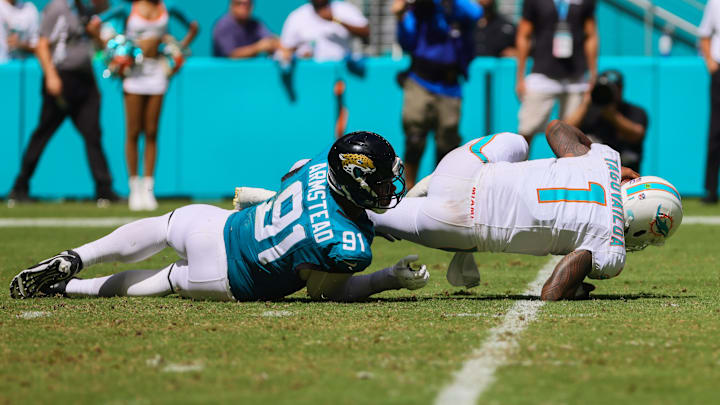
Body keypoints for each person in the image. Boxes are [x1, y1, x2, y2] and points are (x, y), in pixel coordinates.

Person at [10, 131, 430, 302]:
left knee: (165, 226)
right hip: (229, 278)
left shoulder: (321, 165)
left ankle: (77, 256)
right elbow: (325, 293)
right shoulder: (347, 244)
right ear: (353, 182)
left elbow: (289, 186)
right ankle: (73, 289)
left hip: (219, 225)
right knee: (171, 277)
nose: (385, 190)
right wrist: (387, 278)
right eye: (376, 183)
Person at [366, 121, 683, 301]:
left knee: (516, 142)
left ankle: (431, 183)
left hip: (462, 168)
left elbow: (556, 128)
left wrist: (600, 159)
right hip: (457, 224)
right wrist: (576, 287)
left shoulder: (603, 161)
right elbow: (551, 292)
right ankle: (400, 211)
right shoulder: (609, 249)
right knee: (369, 214)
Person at [87, 0, 199, 211]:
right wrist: (113, 51)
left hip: (157, 71)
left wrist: (177, 49)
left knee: (152, 131)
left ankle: (148, 188)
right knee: (133, 130)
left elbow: (194, 26)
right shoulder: (127, 8)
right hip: (134, 74)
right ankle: (134, 188)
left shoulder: (168, 7)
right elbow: (94, 25)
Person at [7, 0, 118, 205]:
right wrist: (51, 75)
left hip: (85, 81)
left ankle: (104, 190)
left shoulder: (85, 9)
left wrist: (96, 32)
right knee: (43, 132)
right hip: (61, 78)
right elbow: (42, 44)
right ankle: (19, 187)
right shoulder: (58, 7)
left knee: (93, 134)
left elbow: (99, 40)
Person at [392, 0, 483, 189]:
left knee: (447, 144)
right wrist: (401, 16)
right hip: (421, 80)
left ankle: (439, 190)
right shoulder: (422, 10)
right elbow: (406, 41)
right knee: (415, 138)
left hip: (450, 85)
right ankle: (407, 191)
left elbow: (476, 13)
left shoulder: (458, 8)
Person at [279, 0, 370, 139]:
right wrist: (300, 52)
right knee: (315, 130)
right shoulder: (297, 16)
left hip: (343, 82)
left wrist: (335, 20)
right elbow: (285, 49)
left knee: (344, 128)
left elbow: (365, 31)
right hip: (311, 86)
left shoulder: (343, 9)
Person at [515, 0, 598, 145]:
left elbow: (591, 35)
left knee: (571, 135)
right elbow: (524, 35)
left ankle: (568, 168)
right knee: (527, 130)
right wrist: (520, 77)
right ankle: (519, 167)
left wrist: (593, 74)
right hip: (542, 72)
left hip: (575, 75)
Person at [564, 70, 648, 172]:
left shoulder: (634, 111)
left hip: (625, 173)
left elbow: (637, 134)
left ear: (621, 89)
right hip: (592, 172)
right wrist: (585, 102)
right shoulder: (588, 113)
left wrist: (613, 116)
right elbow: (564, 131)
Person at [699, 0, 720, 204]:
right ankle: (711, 190)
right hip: (719, 72)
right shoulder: (714, 3)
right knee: (715, 132)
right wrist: (710, 63)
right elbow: (704, 34)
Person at [212, 0, 278, 59]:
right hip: (226, 71)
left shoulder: (254, 24)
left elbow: (271, 39)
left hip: (250, 70)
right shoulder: (223, 25)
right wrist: (258, 47)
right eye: (239, 3)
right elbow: (232, 55)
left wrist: (276, 44)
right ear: (231, 5)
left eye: (247, 4)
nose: (243, 7)